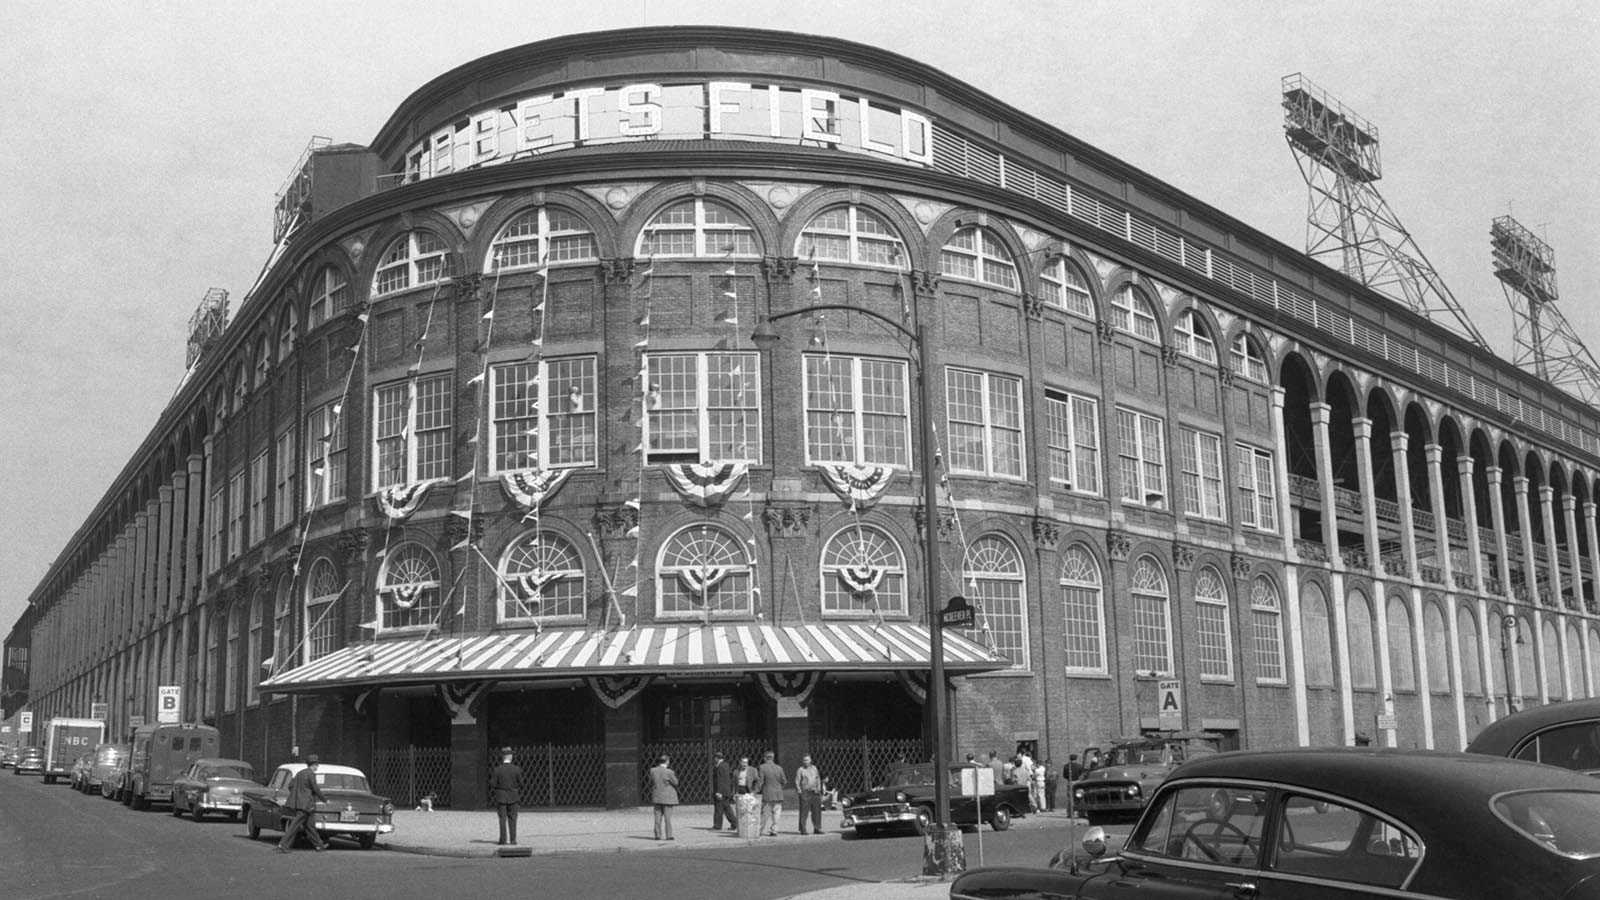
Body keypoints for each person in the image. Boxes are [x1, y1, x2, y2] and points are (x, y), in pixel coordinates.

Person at [277, 754, 328, 853]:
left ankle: (319, 845)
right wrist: (324, 799)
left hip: (300, 803)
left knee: (310, 827)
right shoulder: (311, 774)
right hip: (307, 805)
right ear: (313, 764)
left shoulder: (300, 773)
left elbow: (291, 785)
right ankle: (283, 844)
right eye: (317, 764)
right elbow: (315, 788)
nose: (317, 766)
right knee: (295, 825)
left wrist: (299, 794)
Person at [488, 747, 522, 845]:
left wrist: (499, 788)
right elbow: (521, 783)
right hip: (513, 796)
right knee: (513, 818)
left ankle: (503, 840)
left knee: (502, 819)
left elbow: (492, 784)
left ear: (503, 757)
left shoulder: (497, 770)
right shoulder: (516, 769)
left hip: (501, 797)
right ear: (510, 756)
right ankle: (513, 840)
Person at [755, 750, 786, 836]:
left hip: (768, 794)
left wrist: (754, 791)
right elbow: (784, 781)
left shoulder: (762, 767)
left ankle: (759, 830)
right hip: (778, 794)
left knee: (765, 813)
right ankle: (774, 830)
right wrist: (780, 788)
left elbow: (760, 782)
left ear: (765, 758)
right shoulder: (779, 768)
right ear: (773, 758)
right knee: (776, 813)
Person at [648, 754, 679, 840]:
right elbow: (676, 783)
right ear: (667, 761)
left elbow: (650, 782)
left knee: (657, 817)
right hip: (667, 798)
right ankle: (669, 835)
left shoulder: (652, 770)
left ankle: (657, 835)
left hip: (657, 796)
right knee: (667, 818)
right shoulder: (669, 772)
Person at [794, 753, 823, 835]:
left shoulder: (814, 768)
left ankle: (817, 828)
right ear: (802, 761)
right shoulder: (800, 770)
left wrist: (819, 788)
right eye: (804, 760)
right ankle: (803, 829)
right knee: (804, 812)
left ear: (810, 760)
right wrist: (799, 791)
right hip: (805, 792)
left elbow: (817, 779)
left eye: (807, 760)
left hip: (815, 792)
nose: (806, 762)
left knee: (817, 811)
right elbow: (797, 781)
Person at [710, 750, 735, 831]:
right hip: (726, 790)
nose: (714, 760)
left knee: (719, 808)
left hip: (721, 791)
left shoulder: (720, 766)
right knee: (727, 808)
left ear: (716, 758)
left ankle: (717, 825)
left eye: (715, 758)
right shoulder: (726, 765)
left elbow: (720, 780)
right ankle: (735, 823)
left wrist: (719, 792)